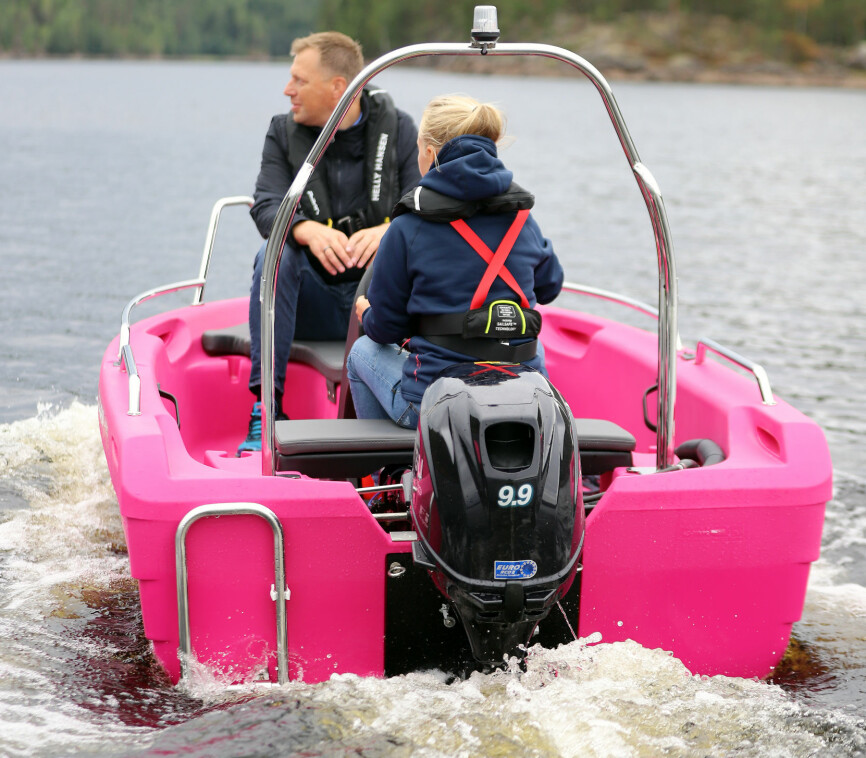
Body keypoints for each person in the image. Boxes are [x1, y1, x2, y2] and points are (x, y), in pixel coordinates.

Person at [238, 31, 421, 454]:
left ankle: (405, 417)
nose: (288, 90)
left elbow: (424, 203)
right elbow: (265, 203)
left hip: (378, 307)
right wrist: (304, 228)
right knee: (273, 254)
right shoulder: (282, 134)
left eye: (299, 80)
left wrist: (392, 228)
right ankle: (266, 411)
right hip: (312, 303)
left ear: (338, 87)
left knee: (414, 249)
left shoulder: (399, 129)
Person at [346, 94, 564, 429]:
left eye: (419, 148)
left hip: (437, 411)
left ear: (430, 153)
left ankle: (383, 470)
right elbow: (550, 285)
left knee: (361, 351)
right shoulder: (522, 217)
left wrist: (368, 314)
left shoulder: (407, 226)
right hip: (522, 399)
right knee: (532, 348)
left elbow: (387, 328)